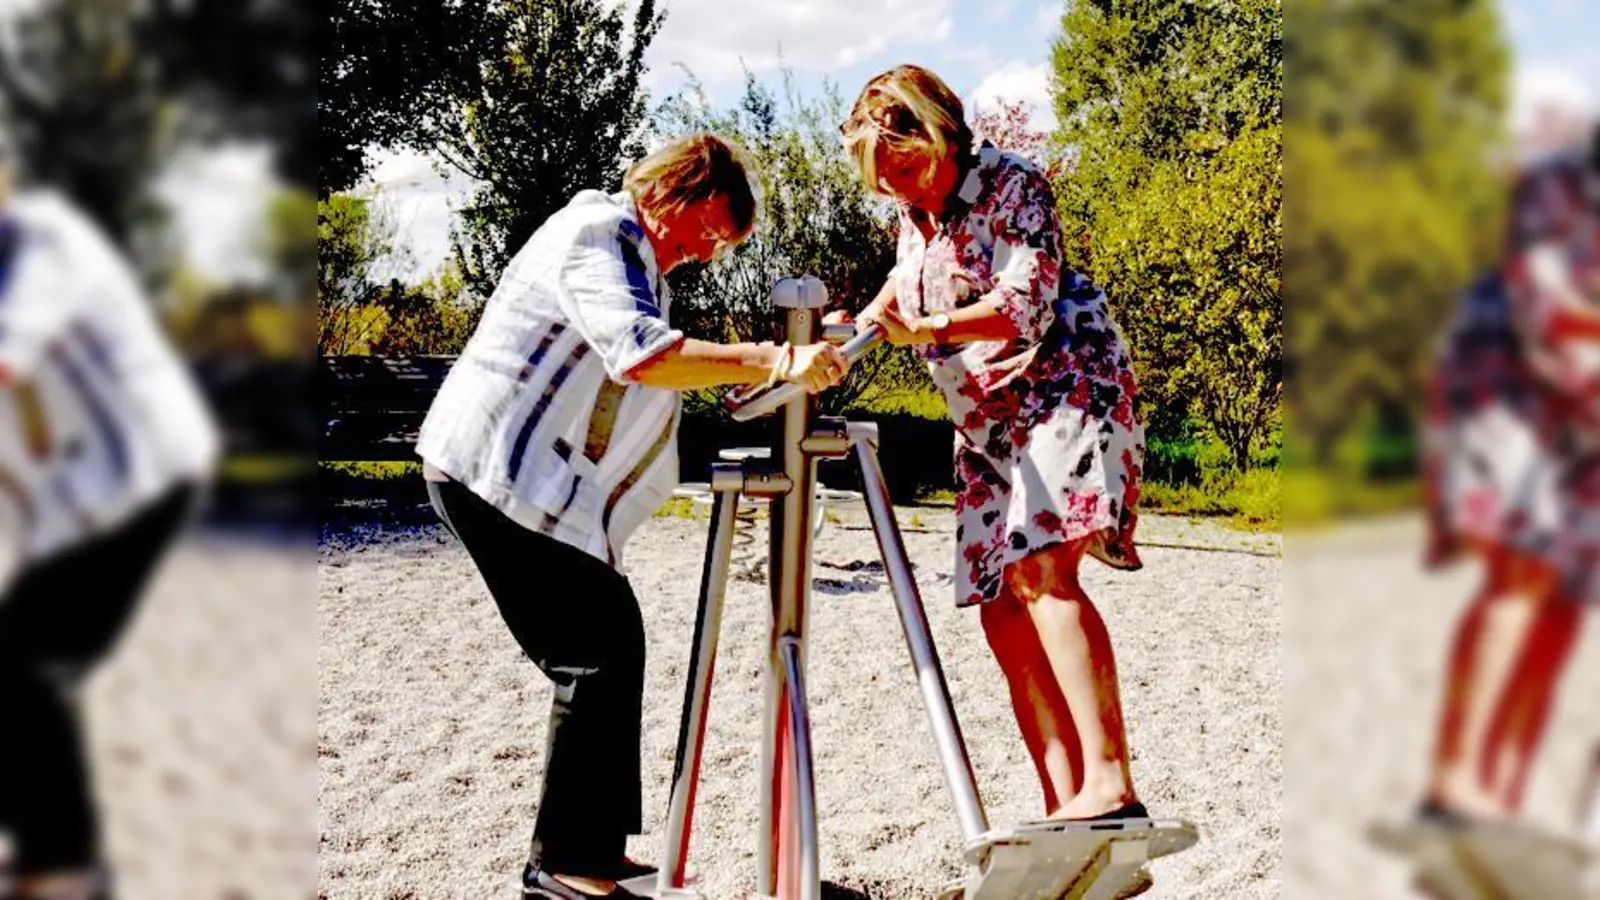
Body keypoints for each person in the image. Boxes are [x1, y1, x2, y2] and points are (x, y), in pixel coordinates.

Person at [414, 133, 851, 899]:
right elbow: (640, 354)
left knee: (612, 638)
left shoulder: (637, 260)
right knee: (595, 649)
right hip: (494, 470)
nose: (709, 253)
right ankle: (564, 869)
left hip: (522, 476)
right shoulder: (601, 230)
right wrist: (770, 360)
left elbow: (650, 371)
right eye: (711, 230)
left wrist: (744, 376)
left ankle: (588, 853)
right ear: (670, 194)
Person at [830, 63, 1157, 891]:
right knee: (998, 603)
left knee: (1042, 572)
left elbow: (1025, 301)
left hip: (1065, 389)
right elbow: (892, 307)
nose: (896, 185)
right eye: (883, 177)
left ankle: (1111, 785)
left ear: (938, 132)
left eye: (904, 165)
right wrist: (834, 341)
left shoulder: (1013, 185)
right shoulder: (918, 219)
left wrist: (927, 326)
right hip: (987, 421)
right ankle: (1065, 798)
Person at [0, 141, 222, 900]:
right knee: (26, 659)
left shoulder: (49, 242)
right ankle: (42, 842)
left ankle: (60, 868)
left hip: (142, 483)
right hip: (74, 503)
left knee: (30, 664)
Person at [1410, 120, 1599, 829]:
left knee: (1561, 604)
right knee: (1523, 579)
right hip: (1509, 386)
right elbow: (1549, 309)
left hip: (1577, 400)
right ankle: (1456, 785)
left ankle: (1502, 790)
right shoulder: (1561, 188)